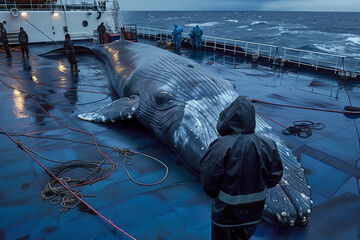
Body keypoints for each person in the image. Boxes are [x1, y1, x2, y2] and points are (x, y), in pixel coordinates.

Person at [200, 96, 283, 240]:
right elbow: (275, 176)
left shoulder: (220, 145)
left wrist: (216, 194)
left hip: (225, 214)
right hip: (253, 213)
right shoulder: (268, 144)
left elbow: (209, 179)